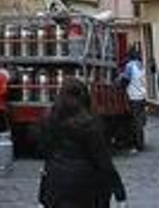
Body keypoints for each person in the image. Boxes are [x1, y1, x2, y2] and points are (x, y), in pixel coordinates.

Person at [39, 78, 128, 207]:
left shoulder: (50, 121)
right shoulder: (89, 124)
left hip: (56, 187)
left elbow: (48, 159)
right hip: (87, 188)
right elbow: (103, 162)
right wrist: (120, 194)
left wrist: (42, 196)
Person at [120, 45, 146, 151]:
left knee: (134, 121)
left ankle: (137, 144)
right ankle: (141, 142)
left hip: (133, 96)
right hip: (142, 96)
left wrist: (121, 86)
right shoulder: (141, 65)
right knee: (139, 121)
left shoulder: (130, 66)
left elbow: (126, 80)